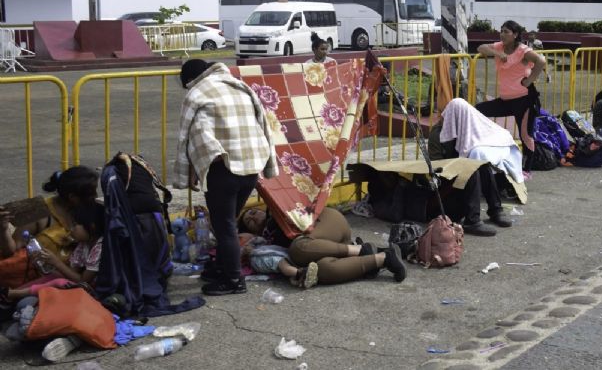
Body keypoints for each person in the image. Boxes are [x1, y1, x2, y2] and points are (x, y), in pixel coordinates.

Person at [174, 59, 277, 296]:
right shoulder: (239, 85)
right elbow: (263, 123)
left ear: (189, 80)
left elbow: (189, 137)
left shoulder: (197, 93)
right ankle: (221, 268)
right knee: (227, 221)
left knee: (225, 226)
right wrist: (270, 165)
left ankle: (233, 280)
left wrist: (187, 173)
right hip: (251, 167)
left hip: (224, 168)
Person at [238, 206, 406, 285]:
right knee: (321, 271)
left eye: (253, 212)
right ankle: (382, 258)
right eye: (249, 222)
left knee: (298, 248)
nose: (253, 218)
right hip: (329, 246)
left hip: (328, 222)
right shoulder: (265, 244)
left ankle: (362, 250)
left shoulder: (274, 210)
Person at [428, 98, 519, 235]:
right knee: (472, 171)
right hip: (447, 179)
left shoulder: (466, 129)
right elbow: (437, 166)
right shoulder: (437, 134)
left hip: (463, 175)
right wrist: (461, 166)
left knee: (483, 166)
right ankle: (472, 221)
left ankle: (496, 210)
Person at [476, 21, 548, 163]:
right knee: (477, 111)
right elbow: (481, 47)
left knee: (525, 135)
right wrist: (497, 53)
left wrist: (529, 81)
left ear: (515, 35)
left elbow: (540, 61)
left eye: (506, 32)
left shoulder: (523, 50)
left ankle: (527, 169)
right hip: (505, 100)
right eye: (501, 31)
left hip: (524, 100)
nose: (502, 34)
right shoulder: (499, 47)